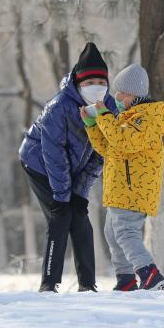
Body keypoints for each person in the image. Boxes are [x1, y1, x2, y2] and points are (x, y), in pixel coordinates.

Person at [19, 42, 116, 293]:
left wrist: (80, 192)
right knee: (60, 217)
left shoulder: (110, 108)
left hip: (73, 168)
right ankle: (48, 285)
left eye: (102, 82)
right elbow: (54, 154)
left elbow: (103, 152)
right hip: (39, 163)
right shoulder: (59, 107)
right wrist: (63, 197)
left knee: (81, 218)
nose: (96, 88)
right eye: (89, 83)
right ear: (78, 84)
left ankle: (87, 285)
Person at [81, 63, 164, 292]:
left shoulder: (145, 119)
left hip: (134, 189)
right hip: (120, 190)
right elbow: (109, 147)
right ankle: (126, 279)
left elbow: (123, 141)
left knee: (125, 232)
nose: (116, 98)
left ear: (134, 95)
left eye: (120, 93)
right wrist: (93, 124)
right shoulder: (126, 118)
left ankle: (150, 274)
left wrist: (104, 115)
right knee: (112, 233)